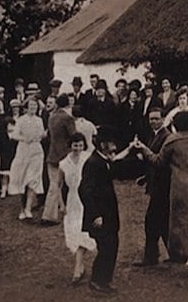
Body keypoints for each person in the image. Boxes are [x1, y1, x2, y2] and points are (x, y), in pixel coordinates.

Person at [134, 111, 188, 278]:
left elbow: (158, 162)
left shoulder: (172, 141)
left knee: (183, 222)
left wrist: (144, 150)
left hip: (181, 188)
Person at [79, 126, 130, 294]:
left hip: (108, 215)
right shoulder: (94, 163)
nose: (114, 146)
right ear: (102, 144)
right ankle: (98, 281)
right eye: (110, 143)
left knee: (111, 246)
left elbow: (118, 171)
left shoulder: (103, 161)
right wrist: (95, 214)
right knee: (107, 247)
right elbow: (84, 190)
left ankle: (104, 280)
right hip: (100, 217)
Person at [123, 107, 171, 266]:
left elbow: (161, 163)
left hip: (163, 185)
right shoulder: (155, 135)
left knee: (152, 221)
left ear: (163, 119)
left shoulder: (166, 137)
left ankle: (151, 257)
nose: (153, 122)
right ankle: (174, 253)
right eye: (151, 119)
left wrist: (144, 149)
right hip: (156, 183)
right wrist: (145, 177)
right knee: (162, 222)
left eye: (157, 119)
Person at [58, 133, 96, 284]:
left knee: (85, 232)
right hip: (72, 200)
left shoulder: (88, 158)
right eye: (75, 145)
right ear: (70, 145)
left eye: (80, 145)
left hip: (87, 199)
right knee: (74, 232)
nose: (78, 148)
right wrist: (61, 204)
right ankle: (80, 265)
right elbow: (58, 185)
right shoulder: (63, 163)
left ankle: (78, 267)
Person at [8, 98, 46, 219]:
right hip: (23, 151)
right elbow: (13, 135)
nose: (33, 107)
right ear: (26, 107)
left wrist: (42, 135)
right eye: (31, 105)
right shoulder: (21, 120)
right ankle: (22, 209)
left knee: (32, 179)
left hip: (36, 151)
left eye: (35, 105)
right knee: (22, 180)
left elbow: (41, 134)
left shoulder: (39, 120)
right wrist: (24, 139)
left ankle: (28, 208)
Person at [41, 94, 76, 226]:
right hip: (65, 155)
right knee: (71, 184)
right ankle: (55, 214)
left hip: (52, 154)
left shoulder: (52, 117)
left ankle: (50, 214)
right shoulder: (68, 118)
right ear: (68, 104)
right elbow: (74, 136)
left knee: (54, 185)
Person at [0, 100, 21, 199]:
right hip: (5, 156)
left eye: (12, 125)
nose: (11, 127)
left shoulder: (16, 138)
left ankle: (13, 190)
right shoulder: (3, 137)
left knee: (15, 173)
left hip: (15, 155)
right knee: (5, 175)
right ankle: (3, 191)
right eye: (9, 125)